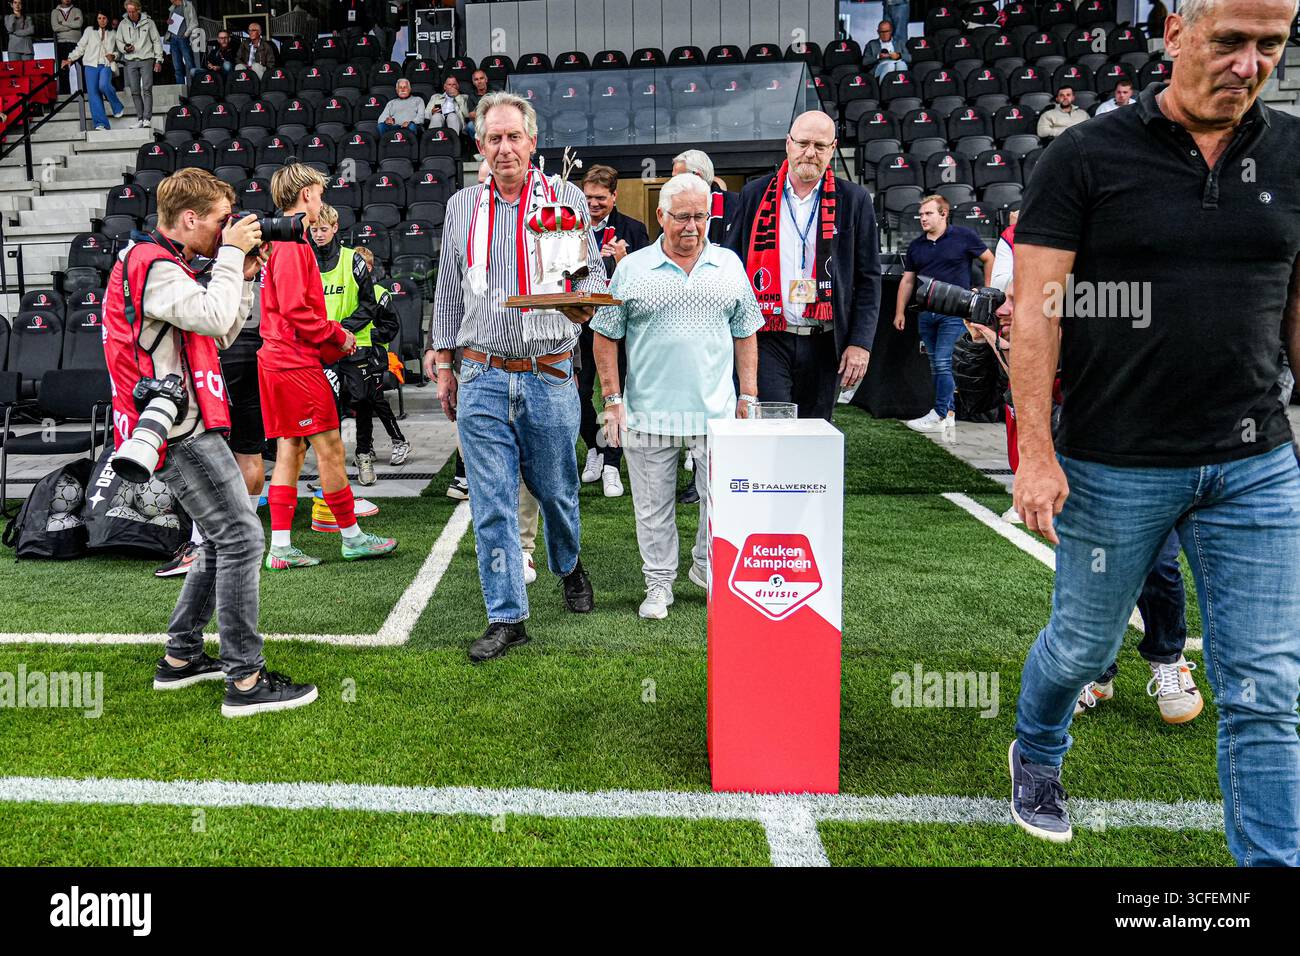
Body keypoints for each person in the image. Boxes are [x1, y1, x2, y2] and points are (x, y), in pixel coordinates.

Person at [1008, 0, 1300, 862]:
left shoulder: (1294, 153)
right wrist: (1035, 452)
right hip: (1113, 461)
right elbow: (1037, 312)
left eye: (1271, 46)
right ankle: (1039, 749)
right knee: (1081, 648)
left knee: (1266, 690)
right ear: (1175, 33)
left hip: (1254, 463)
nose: (1250, 65)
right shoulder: (1084, 157)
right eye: (1230, 42)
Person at [101, 167, 316, 716]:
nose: (229, 229)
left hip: (178, 421)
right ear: (189, 218)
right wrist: (229, 261)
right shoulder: (151, 266)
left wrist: (241, 273)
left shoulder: (161, 261)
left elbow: (220, 330)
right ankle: (245, 681)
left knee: (223, 537)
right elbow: (216, 315)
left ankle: (181, 658)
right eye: (222, 221)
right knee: (242, 537)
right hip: (174, 428)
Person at [423, 90, 604, 663]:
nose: (505, 147)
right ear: (481, 145)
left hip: (549, 373)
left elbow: (590, 271)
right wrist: (445, 362)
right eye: (494, 138)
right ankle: (507, 616)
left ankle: (568, 562)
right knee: (493, 501)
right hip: (482, 372)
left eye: (514, 137)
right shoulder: (460, 209)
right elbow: (449, 289)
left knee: (556, 490)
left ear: (532, 142)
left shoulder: (566, 197)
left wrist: (581, 300)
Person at [592, 173, 762, 619]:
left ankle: (706, 568)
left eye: (700, 216)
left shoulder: (729, 265)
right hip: (649, 413)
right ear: (661, 216)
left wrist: (749, 396)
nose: (692, 225)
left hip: (718, 414)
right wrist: (613, 399)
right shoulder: (631, 269)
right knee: (652, 508)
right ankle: (659, 584)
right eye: (682, 216)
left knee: (722, 501)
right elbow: (605, 336)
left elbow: (746, 333)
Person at [257, 162, 397, 568]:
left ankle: (281, 547)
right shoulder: (294, 245)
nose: (321, 201)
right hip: (295, 364)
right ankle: (351, 537)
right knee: (331, 449)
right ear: (305, 196)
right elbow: (297, 310)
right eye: (318, 193)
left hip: (282, 361)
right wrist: (339, 336)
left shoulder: (285, 243)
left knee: (290, 451)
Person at [725, 110, 880, 422]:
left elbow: (868, 278)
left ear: (833, 149)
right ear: (788, 144)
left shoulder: (855, 200)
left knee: (813, 432)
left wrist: (860, 343)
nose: (810, 153)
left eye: (820, 146)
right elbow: (732, 264)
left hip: (826, 340)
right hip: (767, 335)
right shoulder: (755, 194)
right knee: (772, 424)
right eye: (803, 143)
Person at [309, 203, 406, 488]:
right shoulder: (308, 261)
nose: (318, 235)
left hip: (354, 344)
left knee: (363, 402)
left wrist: (342, 329)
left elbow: (369, 305)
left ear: (335, 228)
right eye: (314, 230)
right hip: (322, 346)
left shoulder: (354, 261)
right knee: (326, 408)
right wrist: (324, 332)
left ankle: (364, 454)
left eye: (323, 229)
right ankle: (330, 467)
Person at [894, 194, 994, 440]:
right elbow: (908, 280)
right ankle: (947, 414)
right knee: (936, 364)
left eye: (928, 213)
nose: (922, 218)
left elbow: (989, 258)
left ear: (943, 213)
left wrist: (984, 292)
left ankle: (939, 414)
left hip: (955, 313)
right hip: (926, 313)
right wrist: (899, 311)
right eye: (921, 215)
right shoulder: (917, 245)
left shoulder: (963, 236)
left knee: (942, 362)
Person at [578, 163, 648, 498]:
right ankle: (594, 447)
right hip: (577, 325)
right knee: (576, 396)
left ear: (614, 196)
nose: (593, 203)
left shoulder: (633, 230)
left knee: (614, 396)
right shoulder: (569, 230)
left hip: (617, 329)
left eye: (600, 198)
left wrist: (622, 261)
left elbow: (647, 284)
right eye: (588, 196)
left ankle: (611, 465)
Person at [63, 11, 125, 132]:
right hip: (90, 66)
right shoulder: (89, 30)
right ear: (96, 19)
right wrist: (70, 59)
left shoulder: (114, 33)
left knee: (104, 85)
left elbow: (119, 51)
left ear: (108, 19)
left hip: (106, 65)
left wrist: (114, 56)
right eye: (99, 18)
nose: (102, 20)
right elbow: (81, 47)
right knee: (93, 95)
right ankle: (101, 124)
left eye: (104, 18)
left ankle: (117, 106)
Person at [672, 148, 737, 247]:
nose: (673, 184)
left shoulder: (736, 204)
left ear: (697, 177)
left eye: (677, 178)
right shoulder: (671, 206)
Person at [117, 0, 163, 130]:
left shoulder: (149, 22)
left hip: (146, 59)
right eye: (128, 11)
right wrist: (125, 48)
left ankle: (147, 118)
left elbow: (156, 41)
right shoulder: (122, 23)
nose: (130, 14)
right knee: (135, 91)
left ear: (138, 10)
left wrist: (158, 60)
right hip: (130, 61)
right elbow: (119, 41)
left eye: (133, 11)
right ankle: (140, 119)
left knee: (147, 89)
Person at [52, 0, 84, 92]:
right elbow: (55, 27)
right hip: (62, 43)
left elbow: (79, 24)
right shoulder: (55, 12)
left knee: (83, 69)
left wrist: (63, 23)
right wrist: (72, 25)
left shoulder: (77, 10)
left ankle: (86, 92)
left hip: (77, 43)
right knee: (63, 71)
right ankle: (65, 95)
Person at [165, 0, 196, 84]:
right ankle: (180, 90)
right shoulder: (172, 8)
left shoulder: (187, 5)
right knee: (177, 67)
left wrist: (186, 34)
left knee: (190, 64)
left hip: (183, 38)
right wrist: (170, 23)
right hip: (173, 39)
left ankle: (195, 87)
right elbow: (172, 23)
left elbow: (194, 22)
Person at [464, 68, 492, 139]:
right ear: (473, 82)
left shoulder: (494, 93)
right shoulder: (471, 96)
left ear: (486, 79)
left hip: (494, 121)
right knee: (470, 126)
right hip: (479, 123)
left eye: (481, 78)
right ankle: (481, 146)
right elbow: (472, 115)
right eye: (476, 79)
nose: (479, 81)